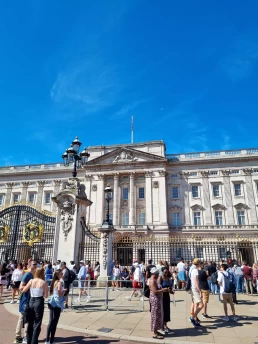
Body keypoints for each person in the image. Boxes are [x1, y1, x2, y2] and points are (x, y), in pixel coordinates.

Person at [21, 267, 48, 344]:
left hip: (31, 301)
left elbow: (24, 290)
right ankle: (34, 342)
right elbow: (46, 295)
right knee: (37, 324)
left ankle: (29, 341)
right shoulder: (43, 282)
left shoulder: (31, 281)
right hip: (39, 301)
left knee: (30, 322)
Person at [14, 260, 37, 344]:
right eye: (34, 264)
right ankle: (23, 336)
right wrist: (30, 286)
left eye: (36, 264)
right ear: (30, 265)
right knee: (25, 317)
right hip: (25, 299)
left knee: (24, 317)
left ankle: (19, 336)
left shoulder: (32, 275)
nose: (36, 265)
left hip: (30, 298)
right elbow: (21, 287)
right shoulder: (27, 275)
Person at [45, 270, 65, 344]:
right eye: (61, 274)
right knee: (55, 322)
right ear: (58, 275)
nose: (62, 275)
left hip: (52, 301)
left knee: (50, 321)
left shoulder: (54, 282)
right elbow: (60, 294)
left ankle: (47, 340)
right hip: (57, 303)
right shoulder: (59, 282)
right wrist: (64, 291)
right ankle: (51, 341)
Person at [149, 267, 170, 339]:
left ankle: (156, 330)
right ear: (154, 274)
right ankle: (154, 333)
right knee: (155, 316)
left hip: (158, 300)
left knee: (158, 316)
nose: (158, 275)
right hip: (155, 301)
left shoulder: (154, 280)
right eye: (157, 274)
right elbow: (155, 291)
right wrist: (163, 290)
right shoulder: (152, 281)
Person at [158, 266, 173, 333]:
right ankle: (162, 326)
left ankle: (165, 326)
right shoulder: (160, 278)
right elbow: (158, 288)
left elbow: (170, 288)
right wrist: (165, 289)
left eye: (167, 272)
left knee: (167, 311)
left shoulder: (168, 278)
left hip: (167, 296)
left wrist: (171, 291)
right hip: (162, 296)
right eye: (165, 272)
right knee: (162, 311)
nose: (166, 273)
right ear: (162, 271)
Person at [189, 258, 203, 328]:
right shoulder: (195, 270)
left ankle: (195, 320)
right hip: (195, 288)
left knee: (196, 304)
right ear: (198, 263)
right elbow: (196, 281)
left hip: (192, 288)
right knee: (201, 305)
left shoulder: (192, 269)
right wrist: (200, 291)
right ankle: (193, 317)